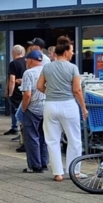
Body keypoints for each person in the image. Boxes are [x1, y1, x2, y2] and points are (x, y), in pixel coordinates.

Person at [37, 36, 88, 181]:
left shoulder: (47, 67)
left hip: (50, 105)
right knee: (74, 140)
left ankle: (58, 173)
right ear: (66, 51)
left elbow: (39, 86)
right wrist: (83, 108)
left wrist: (51, 93)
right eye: (72, 50)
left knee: (52, 140)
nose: (73, 53)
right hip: (68, 105)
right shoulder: (73, 68)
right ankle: (75, 171)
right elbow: (77, 90)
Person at [19, 50, 48, 173]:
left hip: (33, 108)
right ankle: (44, 162)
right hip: (47, 108)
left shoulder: (28, 73)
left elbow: (27, 94)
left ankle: (35, 165)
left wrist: (24, 108)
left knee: (31, 137)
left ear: (30, 60)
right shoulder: (47, 71)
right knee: (44, 136)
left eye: (26, 60)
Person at [6, 45, 26, 137]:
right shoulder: (27, 62)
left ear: (14, 53)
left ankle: (20, 132)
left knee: (17, 111)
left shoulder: (13, 64)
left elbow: (12, 80)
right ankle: (15, 128)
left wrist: (10, 93)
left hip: (17, 92)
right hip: (25, 90)